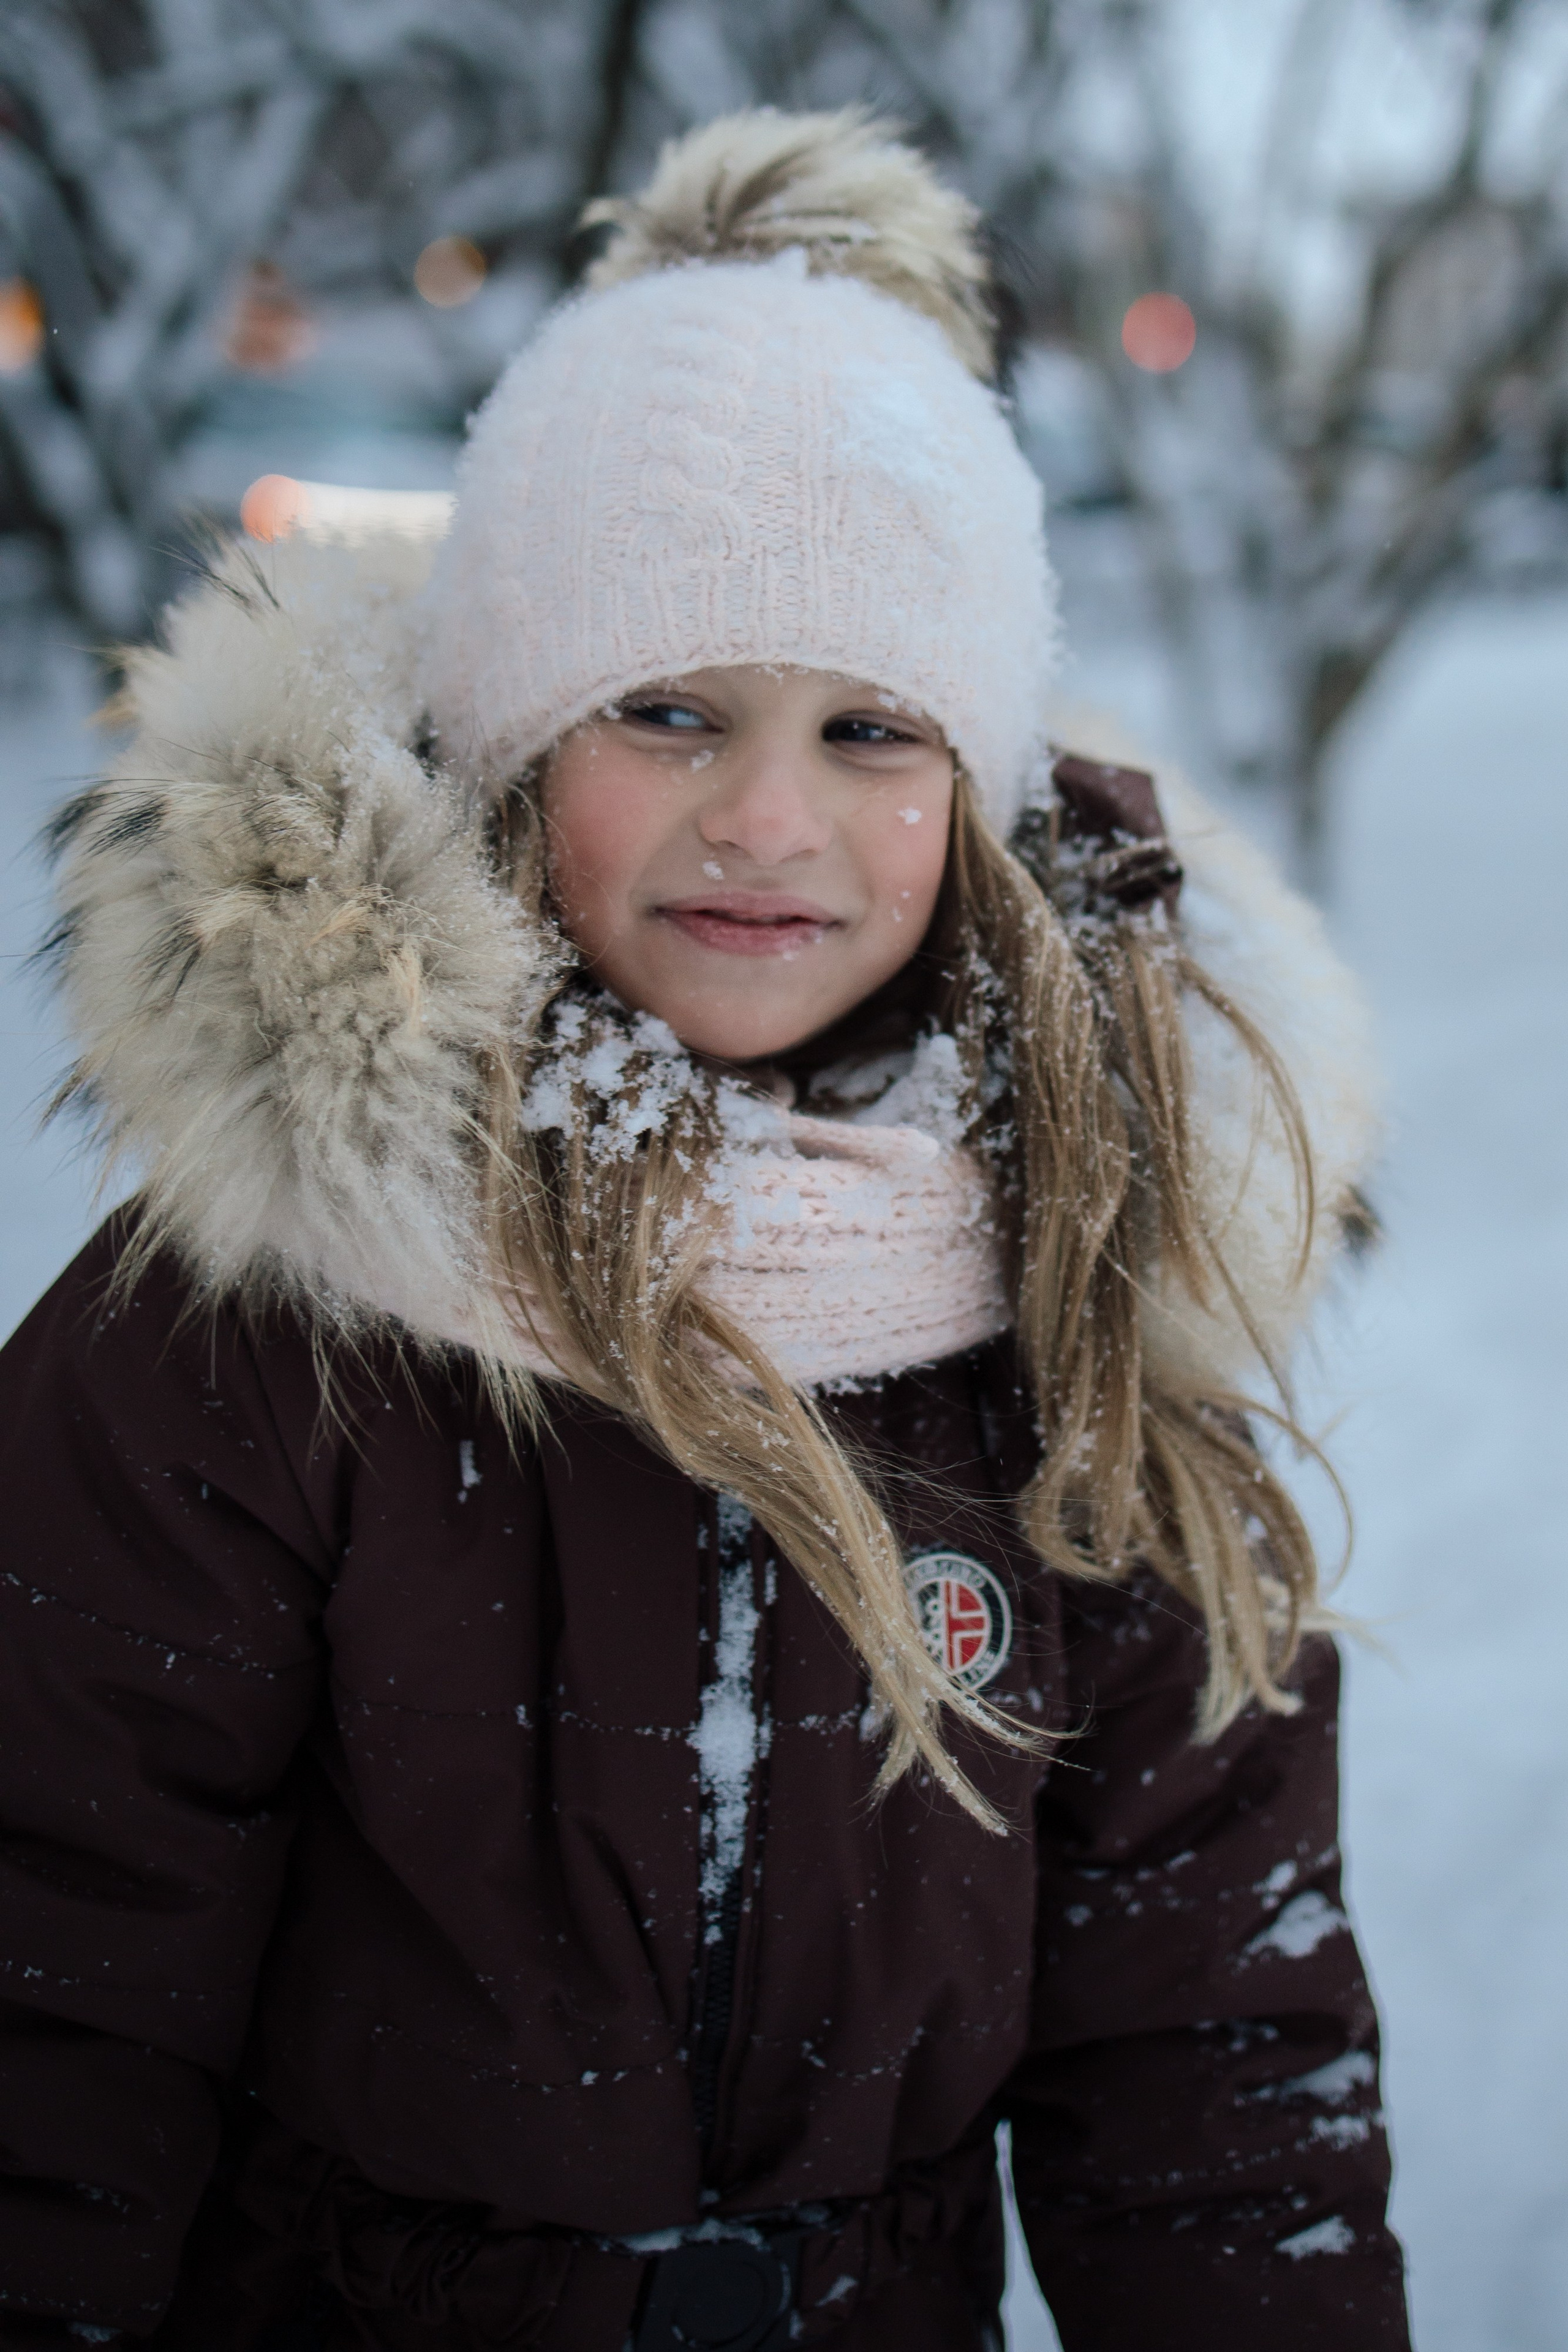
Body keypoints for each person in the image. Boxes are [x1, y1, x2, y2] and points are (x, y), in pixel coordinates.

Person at [0, 110, 1410, 2352]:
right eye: (665, 710)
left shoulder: (1087, 1300)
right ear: (501, 742)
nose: (770, 821)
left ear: (982, 785)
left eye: (872, 727)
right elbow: (53, 1997)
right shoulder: (264, 1324)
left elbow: (1215, 2066)